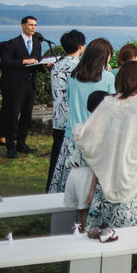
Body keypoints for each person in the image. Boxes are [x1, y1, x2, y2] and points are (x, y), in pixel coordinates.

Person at [78, 62, 137, 273]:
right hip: (134, 167)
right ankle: (125, 266)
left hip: (109, 166)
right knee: (129, 218)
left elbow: (89, 134)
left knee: (106, 214)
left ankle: (100, 261)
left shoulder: (107, 103)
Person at [49, 38, 116, 193]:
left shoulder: (74, 76)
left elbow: (68, 100)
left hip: (72, 134)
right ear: (104, 56)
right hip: (97, 136)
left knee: (68, 180)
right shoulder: (107, 77)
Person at [60, 90, 109, 234]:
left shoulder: (80, 127)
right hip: (88, 176)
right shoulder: (100, 132)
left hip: (74, 174)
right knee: (87, 221)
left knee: (81, 218)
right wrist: (92, 190)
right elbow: (97, 163)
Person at [0, 15, 45, 159]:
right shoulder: (12, 43)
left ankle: (22, 143)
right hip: (16, 85)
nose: (33, 28)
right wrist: (24, 61)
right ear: (23, 26)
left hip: (30, 85)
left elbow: (36, 62)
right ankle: (10, 146)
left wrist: (44, 65)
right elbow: (5, 62)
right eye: (31, 25)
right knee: (13, 115)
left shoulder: (37, 44)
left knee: (27, 115)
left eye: (35, 25)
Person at [47, 29, 85, 191]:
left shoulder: (56, 66)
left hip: (58, 118)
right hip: (73, 120)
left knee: (56, 159)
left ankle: (51, 188)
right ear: (80, 46)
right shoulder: (79, 67)